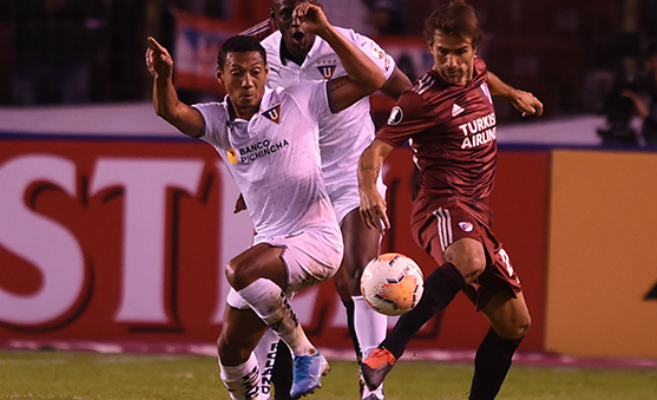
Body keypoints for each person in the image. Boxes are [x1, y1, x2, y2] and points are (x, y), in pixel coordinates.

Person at [145, 3, 387, 399]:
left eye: (255, 73)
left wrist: (325, 31)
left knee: (239, 271)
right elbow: (171, 110)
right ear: (220, 76)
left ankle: (306, 351)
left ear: (267, 74)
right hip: (273, 243)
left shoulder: (299, 99)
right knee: (230, 350)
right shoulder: (219, 121)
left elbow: (372, 78)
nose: (246, 83)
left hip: (317, 239)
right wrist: (164, 77)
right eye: (236, 74)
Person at [357, 1, 543, 399]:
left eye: (461, 52)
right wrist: (369, 189)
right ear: (430, 47)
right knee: (470, 260)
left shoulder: (475, 70)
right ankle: (388, 351)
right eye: (443, 52)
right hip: (439, 204)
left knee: (515, 323)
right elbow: (374, 152)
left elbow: (484, 77)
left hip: (477, 212)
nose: (453, 63)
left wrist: (513, 93)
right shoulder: (420, 100)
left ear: (475, 48)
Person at [238, 2, 413, 399]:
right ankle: (265, 387)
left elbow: (405, 92)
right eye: (286, 11)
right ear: (274, 16)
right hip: (295, 179)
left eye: (304, 9)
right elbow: (251, 118)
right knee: (268, 283)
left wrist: (383, 149)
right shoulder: (260, 57)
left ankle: (372, 390)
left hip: (352, 173)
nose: (297, 20)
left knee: (359, 273)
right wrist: (253, 176)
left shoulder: (349, 44)